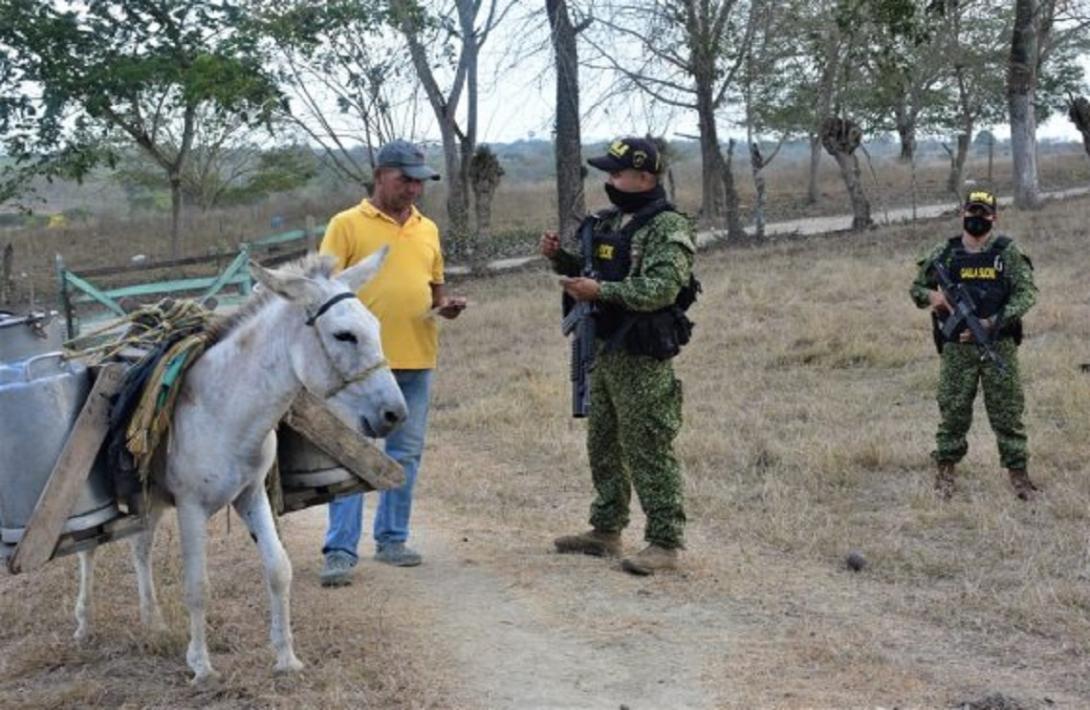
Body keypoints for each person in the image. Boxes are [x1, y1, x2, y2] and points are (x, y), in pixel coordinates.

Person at [540, 136, 697, 576]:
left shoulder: (668, 228)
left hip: (642, 354)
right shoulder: (609, 222)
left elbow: (661, 289)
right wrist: (560, 258)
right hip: (604, 351)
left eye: (617, 172)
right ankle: (606, 529)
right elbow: (594, 267)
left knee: (648, 445)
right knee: (603, 442)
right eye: (607, 172)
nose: (609, 179)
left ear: (644, 177)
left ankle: (664, 542)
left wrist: (602, 292)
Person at [319, 139, 467, 586]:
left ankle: (392, 539)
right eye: (406, 179)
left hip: (416, 358)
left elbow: (434, 289)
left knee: (406, 453)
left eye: (420, 181)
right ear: (380, 174)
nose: (414, 190)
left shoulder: (428, 229)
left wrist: (447, 306)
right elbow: (323, 291)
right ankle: (341, 550)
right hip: (358, 370)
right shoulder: (346, 225)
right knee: (350, 454)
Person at [910, 189, 1039, 501]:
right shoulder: (945, 252)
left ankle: (1019, 476)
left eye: (984, 213)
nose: (977, 218)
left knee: (1008, 412)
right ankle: (945, 473)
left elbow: (1026, 293)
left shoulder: (1007, 252)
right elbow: (917, 288)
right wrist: (934, 297)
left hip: (999, 343)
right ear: (962, 213)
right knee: (953, 411)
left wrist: (994, 321)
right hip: (957, 349)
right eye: (972, 212)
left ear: (994, 217)